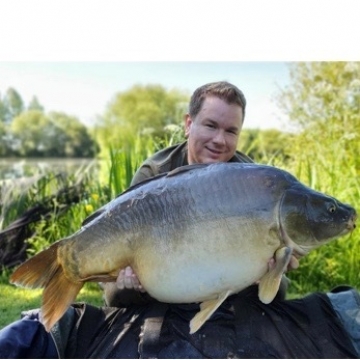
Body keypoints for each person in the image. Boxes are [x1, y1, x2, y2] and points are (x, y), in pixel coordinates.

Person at [0, 81, 359, 358]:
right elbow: (114, 297)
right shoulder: (153, 176)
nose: (220, 140)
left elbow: (271, 295)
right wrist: (126, 283)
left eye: (231, 131)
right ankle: (65, 265)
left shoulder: (254, 182)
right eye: (210, 125)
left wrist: (275, 268)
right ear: (189, 123)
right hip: (161, 301)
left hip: (227, 302)